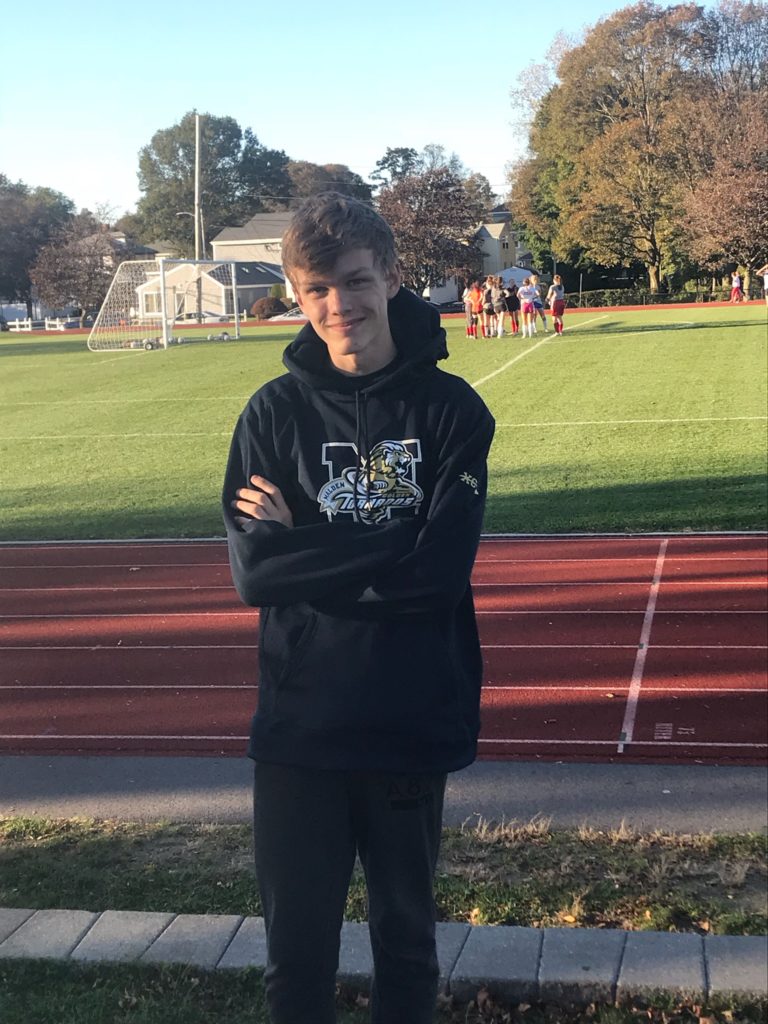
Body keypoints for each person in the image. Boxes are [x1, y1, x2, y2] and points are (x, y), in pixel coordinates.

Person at [222, 192, 495, 1024]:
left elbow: (437, 578)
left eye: (354, 282)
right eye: (317, 291)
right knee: (294, 960)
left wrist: (309, 544)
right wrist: (393, 541)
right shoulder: (271, 414)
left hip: (411, 716)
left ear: (392, 277)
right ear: (299, 298)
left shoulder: (453, 413)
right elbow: (256, 574)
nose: (339, 306)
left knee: (406, 945)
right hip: (301, 728)